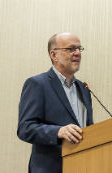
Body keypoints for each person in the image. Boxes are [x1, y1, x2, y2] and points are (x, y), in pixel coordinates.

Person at [17, 32, 93, 173]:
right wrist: (58, 131)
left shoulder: (84, 89)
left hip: (82, 166)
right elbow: (25, 128)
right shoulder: (38, 84)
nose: (77, 53)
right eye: (71, 49)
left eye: (79, 48)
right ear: (54, 55)